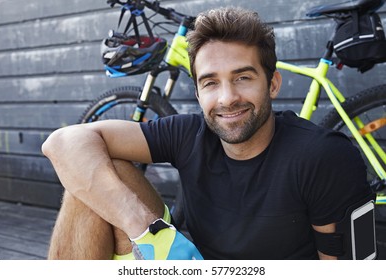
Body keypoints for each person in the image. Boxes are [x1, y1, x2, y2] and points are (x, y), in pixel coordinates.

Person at [42, 6, 374, 260]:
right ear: (198, 94)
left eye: (243, 77)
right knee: (91, 182)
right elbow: (64, 141)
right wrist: (148, 230)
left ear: (272, 84)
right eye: (211, 82)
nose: (227, 98)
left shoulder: (323, 156)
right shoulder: (189, 133)